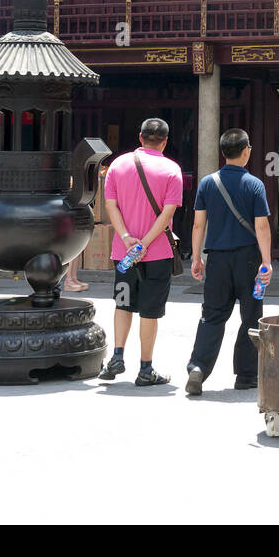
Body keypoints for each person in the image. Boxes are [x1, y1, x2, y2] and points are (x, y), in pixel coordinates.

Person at [186, 128, 272, 395]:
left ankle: (198, 368)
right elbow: (262, 228)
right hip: (248, 258)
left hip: (217, 259)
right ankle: (246, 375)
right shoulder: (255, 184)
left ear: (223, 152)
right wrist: (266, 262)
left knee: (212, 316)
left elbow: (199, 224)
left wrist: (196, 256)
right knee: (251, 316)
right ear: (246, 150)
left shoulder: (207, 183)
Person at [97, 118, 182, 387]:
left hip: (123, 253)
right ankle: (146, 369)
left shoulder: (118, 165)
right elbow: (168, 213)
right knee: (150, 311)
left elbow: (111, 206)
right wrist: (144, 243)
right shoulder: (172, 170)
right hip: (157, 252)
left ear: (140, 137)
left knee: (122, 303)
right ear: (165, 141)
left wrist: (126, 238)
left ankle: (117, 357)